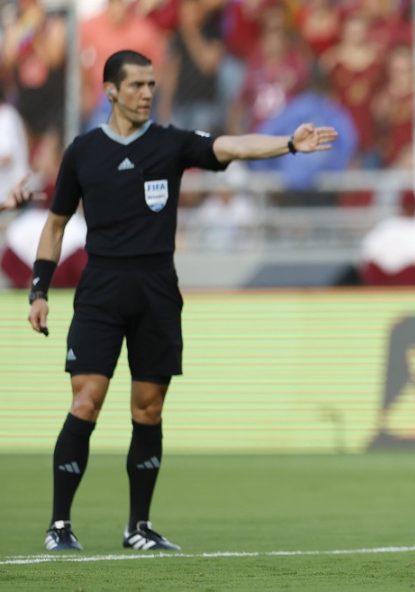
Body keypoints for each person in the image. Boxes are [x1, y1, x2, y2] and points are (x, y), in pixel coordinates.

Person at [17, 49, 336, 552]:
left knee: (149, 409)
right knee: (87, 399)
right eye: (137, 85)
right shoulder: (83, 151)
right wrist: (39, 289)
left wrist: (287, 145)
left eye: (151, 84)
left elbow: (231, 146)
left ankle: (138, 527)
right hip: (101, 290)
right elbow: (55, 224)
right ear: (111, 91)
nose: (148, 93)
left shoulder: (170, 144)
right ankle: (60, 524)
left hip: (157, 290)